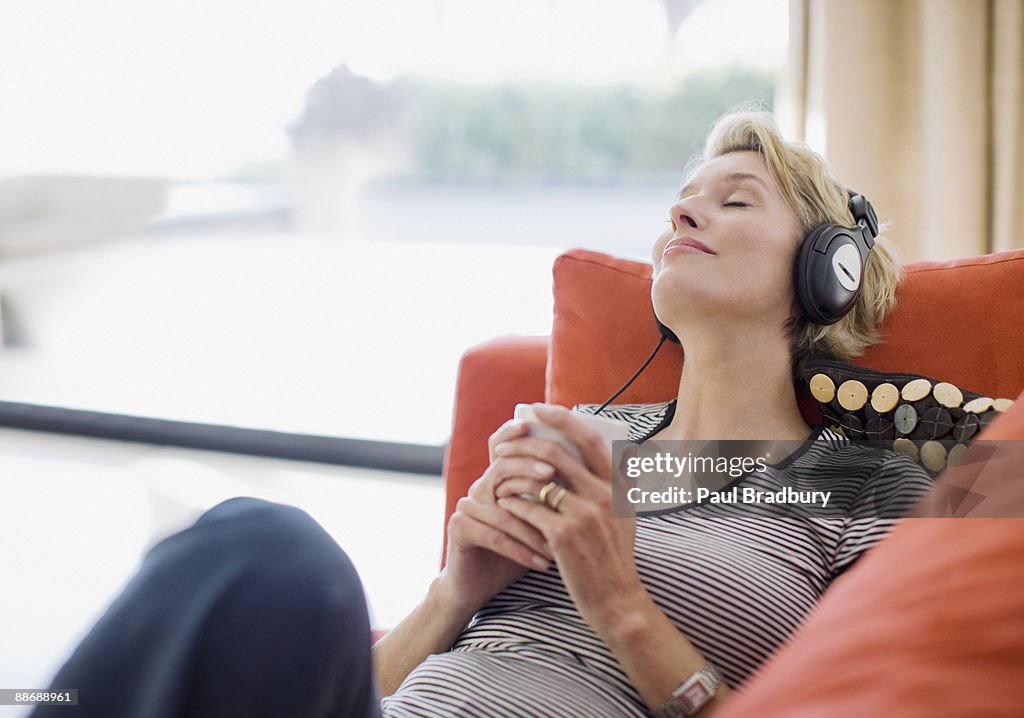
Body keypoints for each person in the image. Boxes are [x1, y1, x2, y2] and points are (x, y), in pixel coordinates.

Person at [32, 111, 934, 718]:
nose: (685, 209)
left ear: (827, 273)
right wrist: (454, 592)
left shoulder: (865, 481)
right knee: (259, 548)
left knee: (273, 549)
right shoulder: (588, 434)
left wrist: (621, 605)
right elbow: (367, 690)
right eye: (685, 201)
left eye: (735, 200)